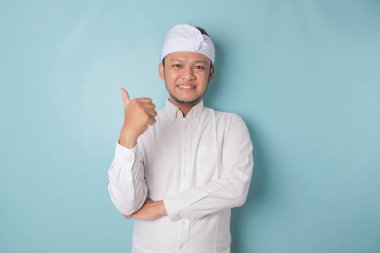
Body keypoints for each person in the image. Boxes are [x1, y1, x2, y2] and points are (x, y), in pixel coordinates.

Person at [108, 24, 254, 253]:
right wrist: (128, 136)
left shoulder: (230, 126)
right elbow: (127, 205)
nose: (188, 75)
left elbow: (235, 188)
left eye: (199, 67)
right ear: (162, 70)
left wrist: (161, 207)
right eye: (177, 65)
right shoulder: (141, 129)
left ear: (211, 73)